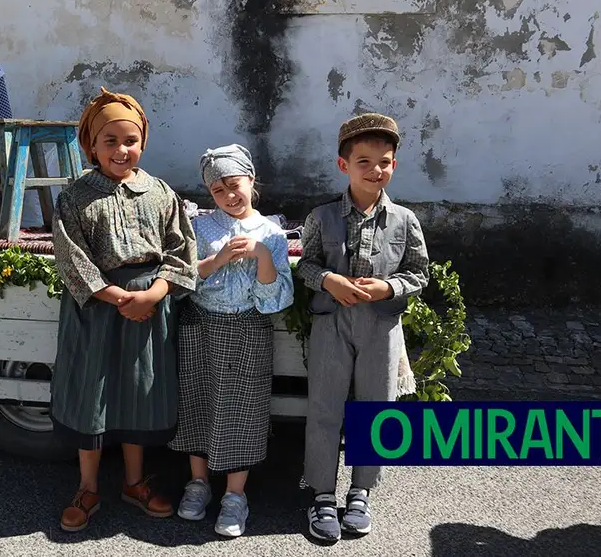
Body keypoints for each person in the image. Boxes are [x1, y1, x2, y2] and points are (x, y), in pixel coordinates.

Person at [50, 87, 198, 532]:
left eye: (129, 140)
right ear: (91, 146)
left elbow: (181, 249)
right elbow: (71, 256)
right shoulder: (76, 195)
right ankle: (88, 486)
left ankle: (134, 482)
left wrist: (154, 294)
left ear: (143, 143)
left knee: (139, 392)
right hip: (96, 310)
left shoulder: (159, 192)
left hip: (150, 308)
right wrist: (117, 298)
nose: (121, 150)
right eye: (109, 141)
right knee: (93, 393)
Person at [296, 112, 429, 542]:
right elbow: (306, 264)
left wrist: (388, 288)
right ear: (344, 166)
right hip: (331, 324)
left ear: (394, 165)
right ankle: (320, 494)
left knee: (374, 409)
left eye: (385, 161)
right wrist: (327, 280)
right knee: (324, 409)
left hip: (380, 326)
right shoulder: (321, 216)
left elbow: (419, 274)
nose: (376, 170)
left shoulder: (405, 221)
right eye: (365, 161)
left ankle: (360, 491)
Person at [169, 144, 294, 537]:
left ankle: (235, 495)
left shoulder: (271, 232)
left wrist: (263, 257)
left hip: (248, 327)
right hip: (199, 324)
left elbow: (275, 299)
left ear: (251, 180)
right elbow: (184, 278)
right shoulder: (201, 228)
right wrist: (219, 259)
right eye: (219, 190)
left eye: (234, 185)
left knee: (243, 409)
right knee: (197, 401)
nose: (229, 196)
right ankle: (198, 483)